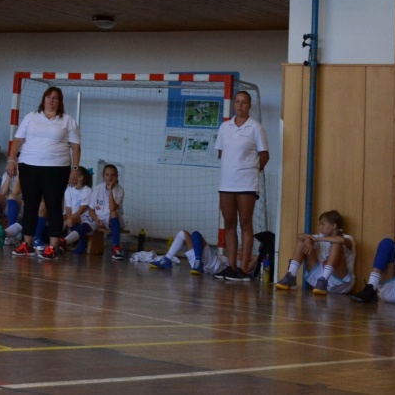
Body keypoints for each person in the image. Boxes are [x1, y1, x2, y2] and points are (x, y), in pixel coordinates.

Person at [8, 85, 80, 259]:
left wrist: (75, 169)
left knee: (53, 205)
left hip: (57, 168)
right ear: (43, 99)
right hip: (29, 166)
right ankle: (27, 244)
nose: (51, 100)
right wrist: (11, 160)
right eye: (48, 97)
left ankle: (52, 246)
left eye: (55, 97)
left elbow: (76, 146)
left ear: (60, 101)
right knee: (30, 205)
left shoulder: (67, 120)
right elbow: (17, 140)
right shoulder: (31, 117)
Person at [214, 90, 268, 281]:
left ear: (249, 105)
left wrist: (251, 171)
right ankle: (231, 266)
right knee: (229, 223)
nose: (240, 105)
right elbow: (220, 152)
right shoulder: (225, 127)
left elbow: (264, 155)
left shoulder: (256, 128)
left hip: (246, 183)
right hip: (227, 183)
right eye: (237, 102)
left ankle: (244, 268)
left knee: (245, 223)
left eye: (244, 102)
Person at [273, 209, 354, 295]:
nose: (320, 227)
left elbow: (341, 240)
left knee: (337, 244)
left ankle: (324, 279)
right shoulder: (321, 236)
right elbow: (300, 236)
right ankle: (291, 275)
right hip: (318, 282)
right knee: (303, 240)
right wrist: (308, 239)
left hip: (340, 284)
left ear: (334, 225)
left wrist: (317, 239)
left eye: (322, 224)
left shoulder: (348, 238)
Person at [151, 228, 227, 276]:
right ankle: (167, 259)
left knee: (195, 234)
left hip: (214, 266)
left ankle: (198, 262)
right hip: (200, 265)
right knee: (183, 233)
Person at [88, 163, 126, 259]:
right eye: (107, 174)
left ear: (117, 177)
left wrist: (110, 190)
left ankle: (116, 248)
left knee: (113, 213)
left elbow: (112, 208)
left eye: (113, 175)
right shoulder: (97, 188)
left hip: (113, 220)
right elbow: (91, 210)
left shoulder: (120, 191)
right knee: (84, 225)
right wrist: (96, 219)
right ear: (103, 176)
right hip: (98, 219)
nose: (110, 177)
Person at [59, 166, 95, 254]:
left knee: (69, 221)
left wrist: (69, 220)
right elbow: (68, 208)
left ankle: (79, 242)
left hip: (84, 216)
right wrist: (68, 219)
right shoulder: (69, 190)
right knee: (64, 220)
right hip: (74, 216)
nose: (70, 176)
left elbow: (81, 210)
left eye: (72, 174)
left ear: (80, 177)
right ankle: (71, 242)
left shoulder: (88, 191)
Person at [0, 157, 24, 244]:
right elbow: (2, 193)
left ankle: (11, 234)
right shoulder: (5, 175)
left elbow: (15, 192)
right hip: (10, 207)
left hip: (24, 206)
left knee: (12, 196)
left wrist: (19, 172)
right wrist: (9, 177)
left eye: (16, 162)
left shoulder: (24, 173)